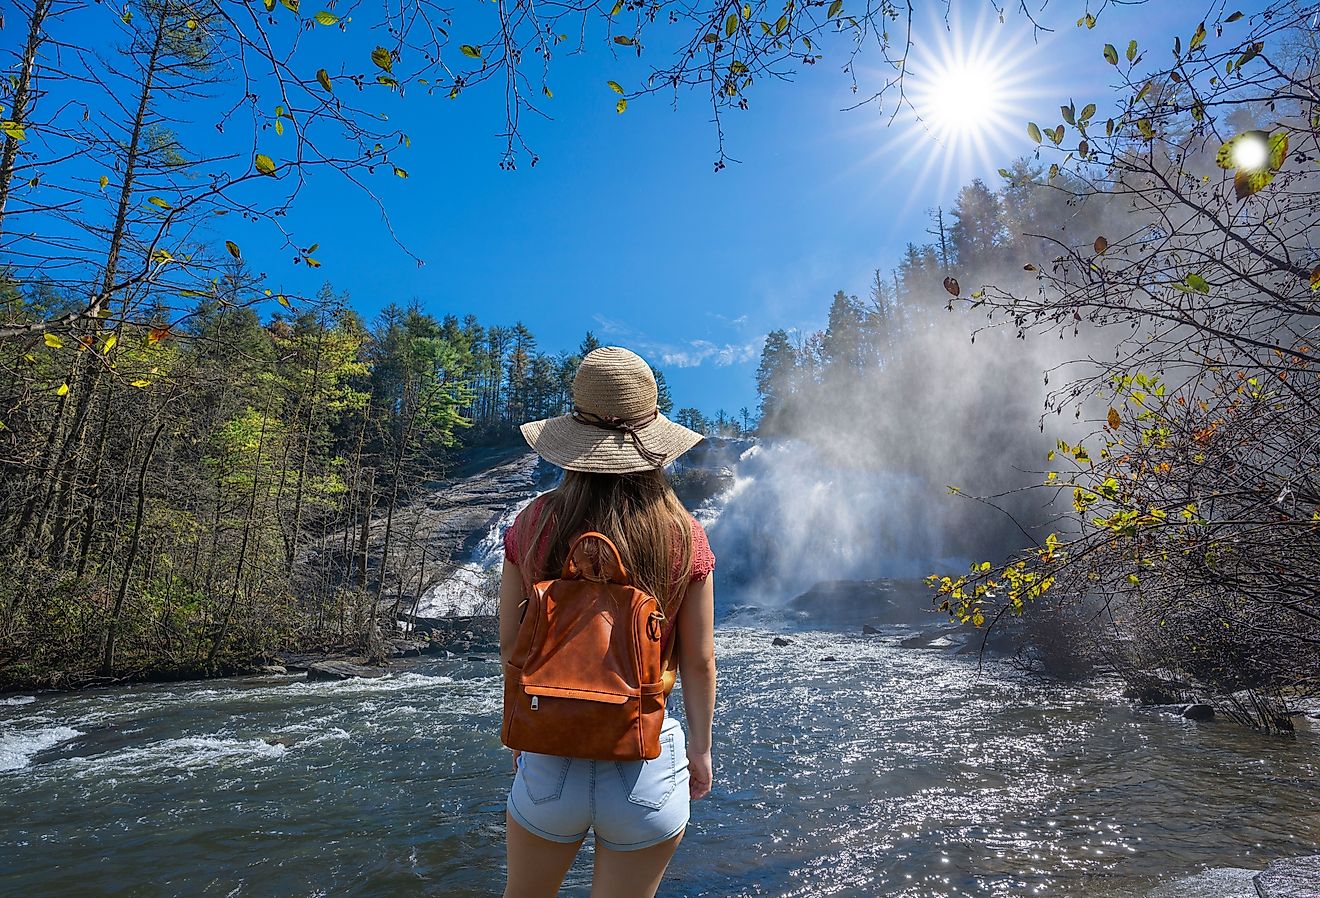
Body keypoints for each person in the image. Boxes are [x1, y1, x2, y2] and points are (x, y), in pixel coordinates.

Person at [499, 346, 717, 898]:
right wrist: (700, 750)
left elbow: (511, 648)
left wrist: (525, 730)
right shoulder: (682, 532)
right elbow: (699, 659)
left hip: (550, 756)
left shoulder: (531, 524)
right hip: (646, 760)